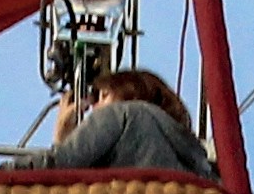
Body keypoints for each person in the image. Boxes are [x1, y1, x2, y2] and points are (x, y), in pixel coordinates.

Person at [47, 65, 217, 179]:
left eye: (100, 96)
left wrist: (61, 135)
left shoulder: (122, 114)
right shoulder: (193, 163)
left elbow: (57, 170)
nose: (93, 108)